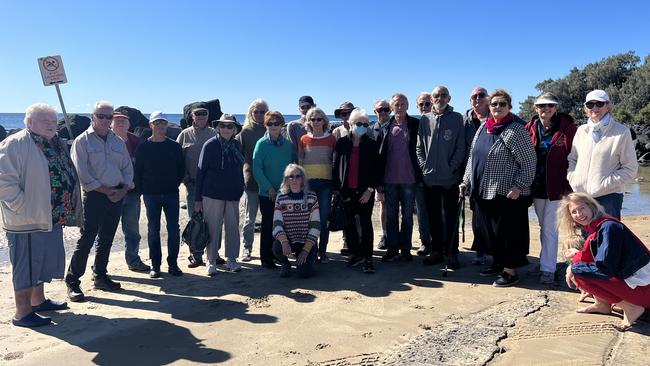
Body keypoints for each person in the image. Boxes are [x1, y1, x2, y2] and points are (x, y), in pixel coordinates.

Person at [0, 103, 82, 327]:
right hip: (26, 220)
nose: (51, 125)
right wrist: (21, 207)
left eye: (53, 121)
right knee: (26, 266)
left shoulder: (53, 142)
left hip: (50, 216)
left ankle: (39, 301)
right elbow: (3, 181)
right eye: (45, 121)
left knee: (41, 262)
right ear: (29, 122)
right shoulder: (15, 144)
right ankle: (22, 313)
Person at [460, 89, 536, 287]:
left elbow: (529, 162)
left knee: (507, 232)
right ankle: (498, 263)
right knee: (488, 231)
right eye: (494, 104)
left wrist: (519, 186)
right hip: (483, 190)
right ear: (489, 106)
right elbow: (472, 157)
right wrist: (466, 181)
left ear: (509, 106)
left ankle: (510, 271)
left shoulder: (516, 130)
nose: (498, 107)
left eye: (502, 104)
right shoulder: (484, 126)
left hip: (507, 192)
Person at [67, 101, 133, 301]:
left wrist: (123, 190)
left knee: (107, 238)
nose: (105, 120)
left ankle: (100, 276)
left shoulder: (117, 141)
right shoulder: (82, 141)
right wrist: (105, 190)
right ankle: (72, 282)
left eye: (108, 117)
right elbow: (82, 173)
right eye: (101, 116)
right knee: (87, 239)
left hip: (117, 196)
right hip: (95, 196)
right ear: (92, 117)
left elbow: (127, 168)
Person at [559, 192, 650, 330]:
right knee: (580, 268)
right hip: (642, 287)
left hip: (646, 290)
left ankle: (631, 308)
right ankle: (602, 305)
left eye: (582, 208)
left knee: (579, 272)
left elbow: (605, 269)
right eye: (574, 212)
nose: (579, 214)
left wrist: (572, 269)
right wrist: (575, 261)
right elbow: (585, 257)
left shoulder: (608, 228)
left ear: (591, 206)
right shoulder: (597, 228)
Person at [525, 92, 577, 284]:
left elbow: (575, 155)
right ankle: (545, 261)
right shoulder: (529, 127)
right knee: (543, 227)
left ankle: (548, 269)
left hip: (559, 186)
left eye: (550, 105)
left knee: (550, 229)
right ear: (536, 108)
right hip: (537, 186)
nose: (545, 109)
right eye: (541, 106)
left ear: (556, 108)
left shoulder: (568, 128)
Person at [567, 89, 638, 219]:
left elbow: (630, 169)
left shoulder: (622, 132)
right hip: (582, 197)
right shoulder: (581, 131)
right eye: (590, 104)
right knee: (586, 238)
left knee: (608, 237)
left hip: (609, 198)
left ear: (608, 106)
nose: (594, 108)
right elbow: (572, 159)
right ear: (585, 108)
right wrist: (574, 179)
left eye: (599, 104)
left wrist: (604, 184)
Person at [416, 86, 466, 268]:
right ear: (432, 98)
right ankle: (436, 250)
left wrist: (450, 169)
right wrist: (424, 168)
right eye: (437, 95)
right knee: (433, 216)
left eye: (443, 95)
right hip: (430, 178)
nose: (440, 98)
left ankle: (452, 252)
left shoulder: (457, 118)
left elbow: (461, 148)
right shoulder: (425, 119)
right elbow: (419, 147)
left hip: (450, 179)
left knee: (452, 216)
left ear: (449, 98)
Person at [134, 112, 185, 278]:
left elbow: (181, 170)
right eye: (157, 123)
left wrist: (174, 183)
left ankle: (173, 264)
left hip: (171, 193)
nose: (161, 126)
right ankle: (155, 266)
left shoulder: (174, 146)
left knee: (173, 229)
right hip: (150, 195)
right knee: (153, 229)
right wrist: (142, 190)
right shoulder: (143, 147)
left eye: (163, 123)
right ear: (151, 125)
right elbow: (138, 171)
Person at [195, 114, 245, 275]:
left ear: (235, 129)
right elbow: (200, 172)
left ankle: (232, 259)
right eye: (222, 126)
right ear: (217, 127)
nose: (225, 129)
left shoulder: (237, 146)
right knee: (212, 228)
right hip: (212, 194)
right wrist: (197, 199)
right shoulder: (210, 145)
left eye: (230, 126)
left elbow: (239, 170)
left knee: (232, 228)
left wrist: (240, 188)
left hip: (232, 194)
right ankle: (211, 261)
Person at [332, 109, 381, 273]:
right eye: (359, 124)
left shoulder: (372, 144)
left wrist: (370, 190)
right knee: (350, 225)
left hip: (365, 192)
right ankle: (356, 254)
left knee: (366, 225)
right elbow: (335, 167)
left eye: (366, 124)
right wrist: (336, 191)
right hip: (346, 192)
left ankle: (368, 258)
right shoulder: (342, 143)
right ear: (351, 124)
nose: (362, 127)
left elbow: (377, 170)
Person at [379, 93, 421, 262]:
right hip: (389, 179)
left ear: (408, 105)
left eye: (403, 103)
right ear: (391, 106)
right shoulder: (385, 126)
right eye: (396, 103)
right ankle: (392, 249)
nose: (400, 106)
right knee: (391, 216)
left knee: (408, 216)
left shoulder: (415, 124)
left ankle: (405, 249)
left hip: (409, 179)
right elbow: (380, 155)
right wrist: (379, 182)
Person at [176, 103, 217, 267]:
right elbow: (177, 159)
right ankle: (196, 255)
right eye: (197, 114)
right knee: (195, 221)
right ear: (192, 116)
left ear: (208, 116)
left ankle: (214, 253)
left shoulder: (214, 133)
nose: (200, 116)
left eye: (204, 113)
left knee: (213, 220)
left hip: (212, 186)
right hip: (192, 185)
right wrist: (184, 178)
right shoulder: (184, 135)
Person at [110, 109, 150, 272]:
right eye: (117, 119)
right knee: (106, 231)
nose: (120, 122)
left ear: (129, 123)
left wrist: (141, 188)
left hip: (132, 194)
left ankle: (133, 260)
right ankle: (99, 266)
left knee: (132, 231)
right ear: (111, 123)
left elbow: (143, 167)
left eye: (123, 120)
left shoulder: (136, 141)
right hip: (109, 194)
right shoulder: (105, 140)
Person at [253, 111, 294, 269]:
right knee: (268, 225)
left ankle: (279, 255)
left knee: (283, 226)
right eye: (270, 123)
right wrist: (269, 188)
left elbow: (292, 167)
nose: (273, 126)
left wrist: (289, 187)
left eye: (276, 123)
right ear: (265, 125)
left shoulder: (288, 145)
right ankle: (266, 258)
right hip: (267, 193)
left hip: (285, 193)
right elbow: (257, 169)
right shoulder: (261, 144)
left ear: (282, 124)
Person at [299, 107, 336, 262]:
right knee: (309, 219)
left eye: (319, 119)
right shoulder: (303, 139)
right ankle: (310, 251)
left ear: (324, 121)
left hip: (326, 184)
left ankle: (323, 251)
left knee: (323, 218)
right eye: (312, 119)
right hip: (308, 184)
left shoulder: (331, 139)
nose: (316, 122)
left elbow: (335, 162)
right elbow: (300, 163)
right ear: (308, 121)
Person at [272, 164, 320, 278]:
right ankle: (285, 264)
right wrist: (284, 242)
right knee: (276, 247)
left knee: (304, 274)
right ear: (286, 180)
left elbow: (316, 226)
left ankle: (307, 261)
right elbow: (277, 223)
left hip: (305, 241)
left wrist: (305, 250)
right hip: (289, 240)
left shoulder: (312, 197)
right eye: (291, 176)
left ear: (302, 179)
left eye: (297, 176)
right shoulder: (281, 198)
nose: (294, 179)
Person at [237, 99, 269, 262]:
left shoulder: (272, 130)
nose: (259, 114)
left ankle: (269, 249)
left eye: (262, 111)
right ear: (251, 113)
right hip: (251, 181)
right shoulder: (245, 132)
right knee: (250, 217)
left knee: (269, 217)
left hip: (271, 182)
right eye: (256, 111)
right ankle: (246, 248)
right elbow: (238, 157)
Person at [464, 87, 490, 265]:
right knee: (477, 214)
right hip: (472, 174)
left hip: (494, 174)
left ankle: (494, 249)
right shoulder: (465, 121)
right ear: (470, 100)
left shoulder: (496, 117)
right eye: (474, 96)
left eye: (482, 95)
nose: (478, 99)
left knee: (493, 214)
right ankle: (480, 250)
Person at [413, 91, 433, 256]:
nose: (425, 107)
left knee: (438, 211)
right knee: (421, 211)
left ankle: (440, 242)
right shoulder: (415, 124)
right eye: (422, 104)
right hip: (418, 176)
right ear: (417, 106)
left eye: (428, 104)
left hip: (439, 177)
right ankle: (425, 241)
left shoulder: (439, 122)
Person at [370, 99, 391, 249]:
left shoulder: (397, 126)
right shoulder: (371, 130)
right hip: (379, 176)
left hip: (397, 173)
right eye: (379, 110)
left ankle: (397, 235)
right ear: (375, 112)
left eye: (386, 109)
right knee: (383, 205)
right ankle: (385, 235)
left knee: (400, 207)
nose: (383, 112)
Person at [286, 96, 315, 161]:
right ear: (299, 109)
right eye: (302, 107)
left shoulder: (319, 123)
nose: (305, 110)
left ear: (313, 107)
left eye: (308, 107)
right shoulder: (293, 125)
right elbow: (293, 149)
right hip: (300, 163)